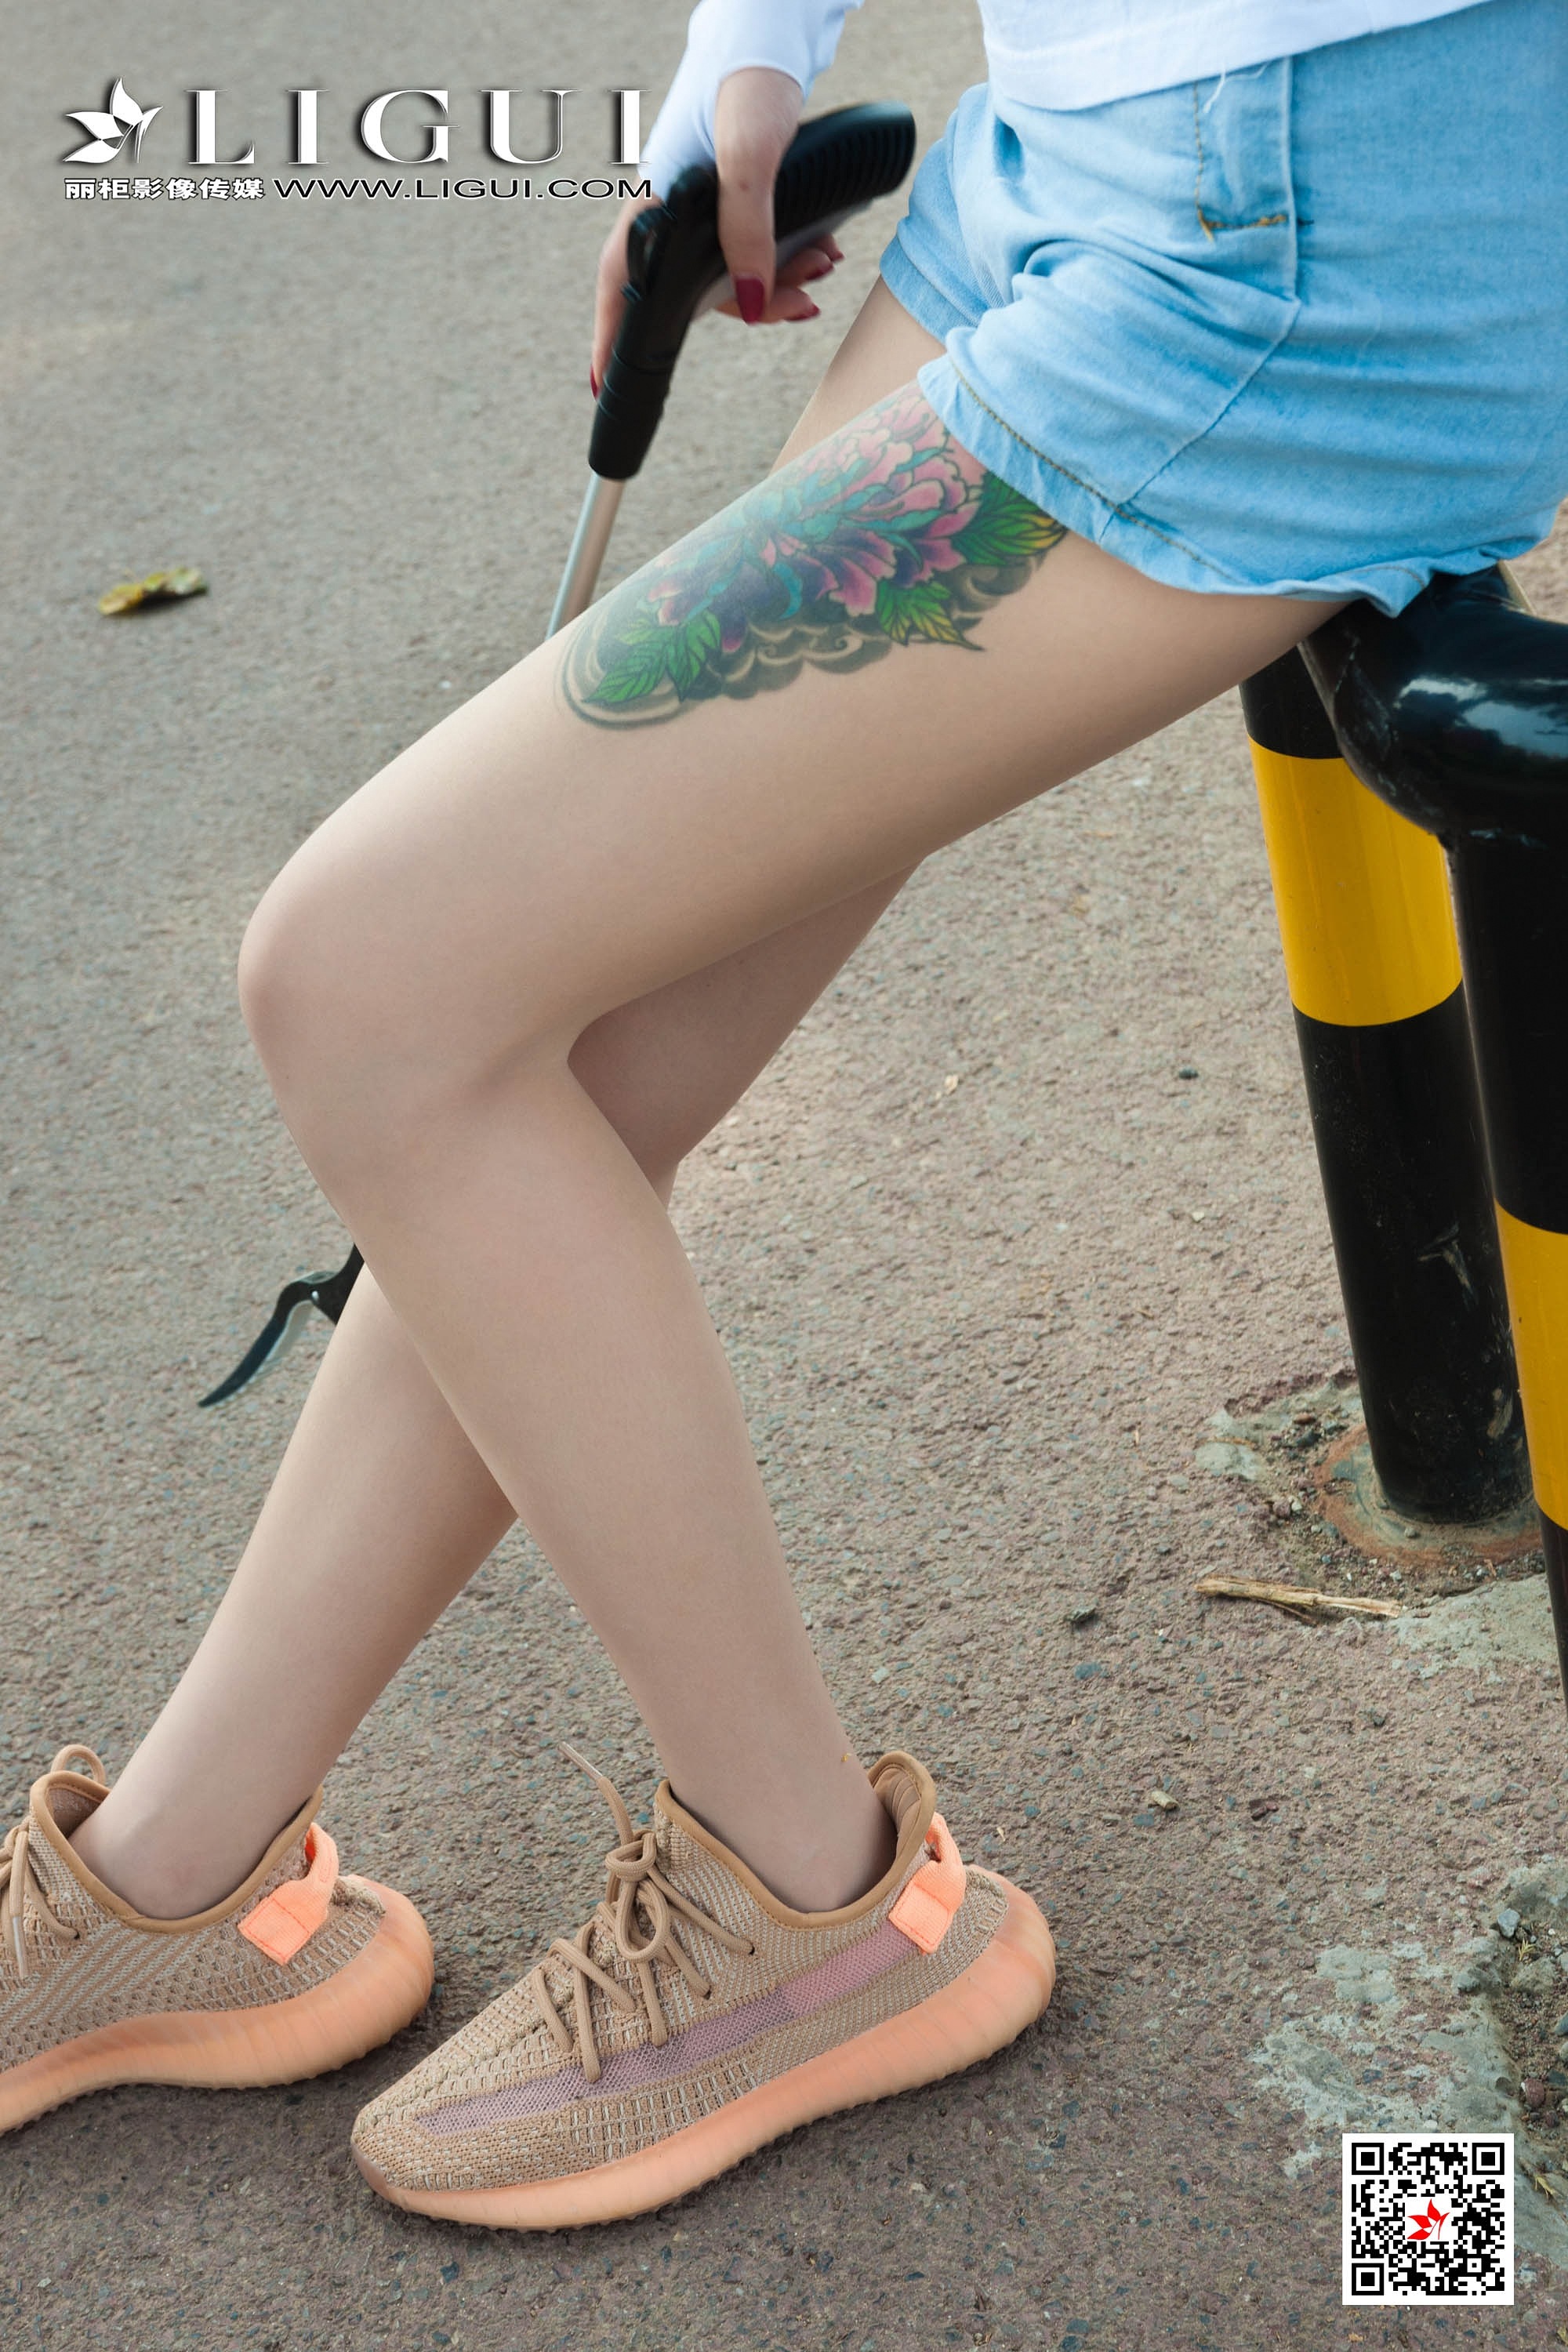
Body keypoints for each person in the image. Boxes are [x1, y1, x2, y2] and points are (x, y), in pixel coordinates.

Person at [5, 0, 1563, 2229]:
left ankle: (810, 1899)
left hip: (1310, 249)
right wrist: (752, 45)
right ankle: (174, 1879)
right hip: (1064, 162)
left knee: (366, 983)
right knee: (555, 1064)